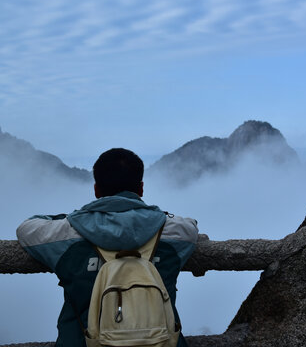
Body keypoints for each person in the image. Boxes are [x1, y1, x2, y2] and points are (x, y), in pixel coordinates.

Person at [17, 148, 198, 347]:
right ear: (141, 189)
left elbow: (27, 228)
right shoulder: (175, 235)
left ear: (96, 190)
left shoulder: (66, 235)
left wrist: (74, 218)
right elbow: (190, 226)